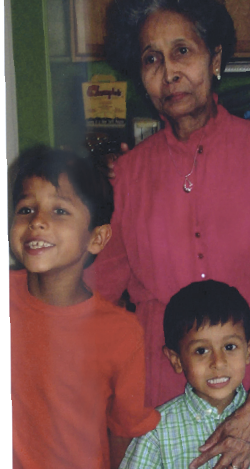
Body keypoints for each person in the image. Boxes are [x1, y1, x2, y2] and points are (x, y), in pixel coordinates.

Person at [84, 0, 250, 468]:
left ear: (214, 59)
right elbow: (94, 296)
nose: (168, 72)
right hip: (154, 404)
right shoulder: (126, 174)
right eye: (151, 59)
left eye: (182, 51)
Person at [9, 147, 160, 469]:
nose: (37, 222)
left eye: (60, 211)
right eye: (25, 209)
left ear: (97, 238)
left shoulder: (120, 332)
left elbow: (124, 431)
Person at [120, 280, 250, 468]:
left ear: (248, 351)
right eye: (201, 351)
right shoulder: (156, 433)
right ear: (176, 360)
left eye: (229, 347)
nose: (218, 362)